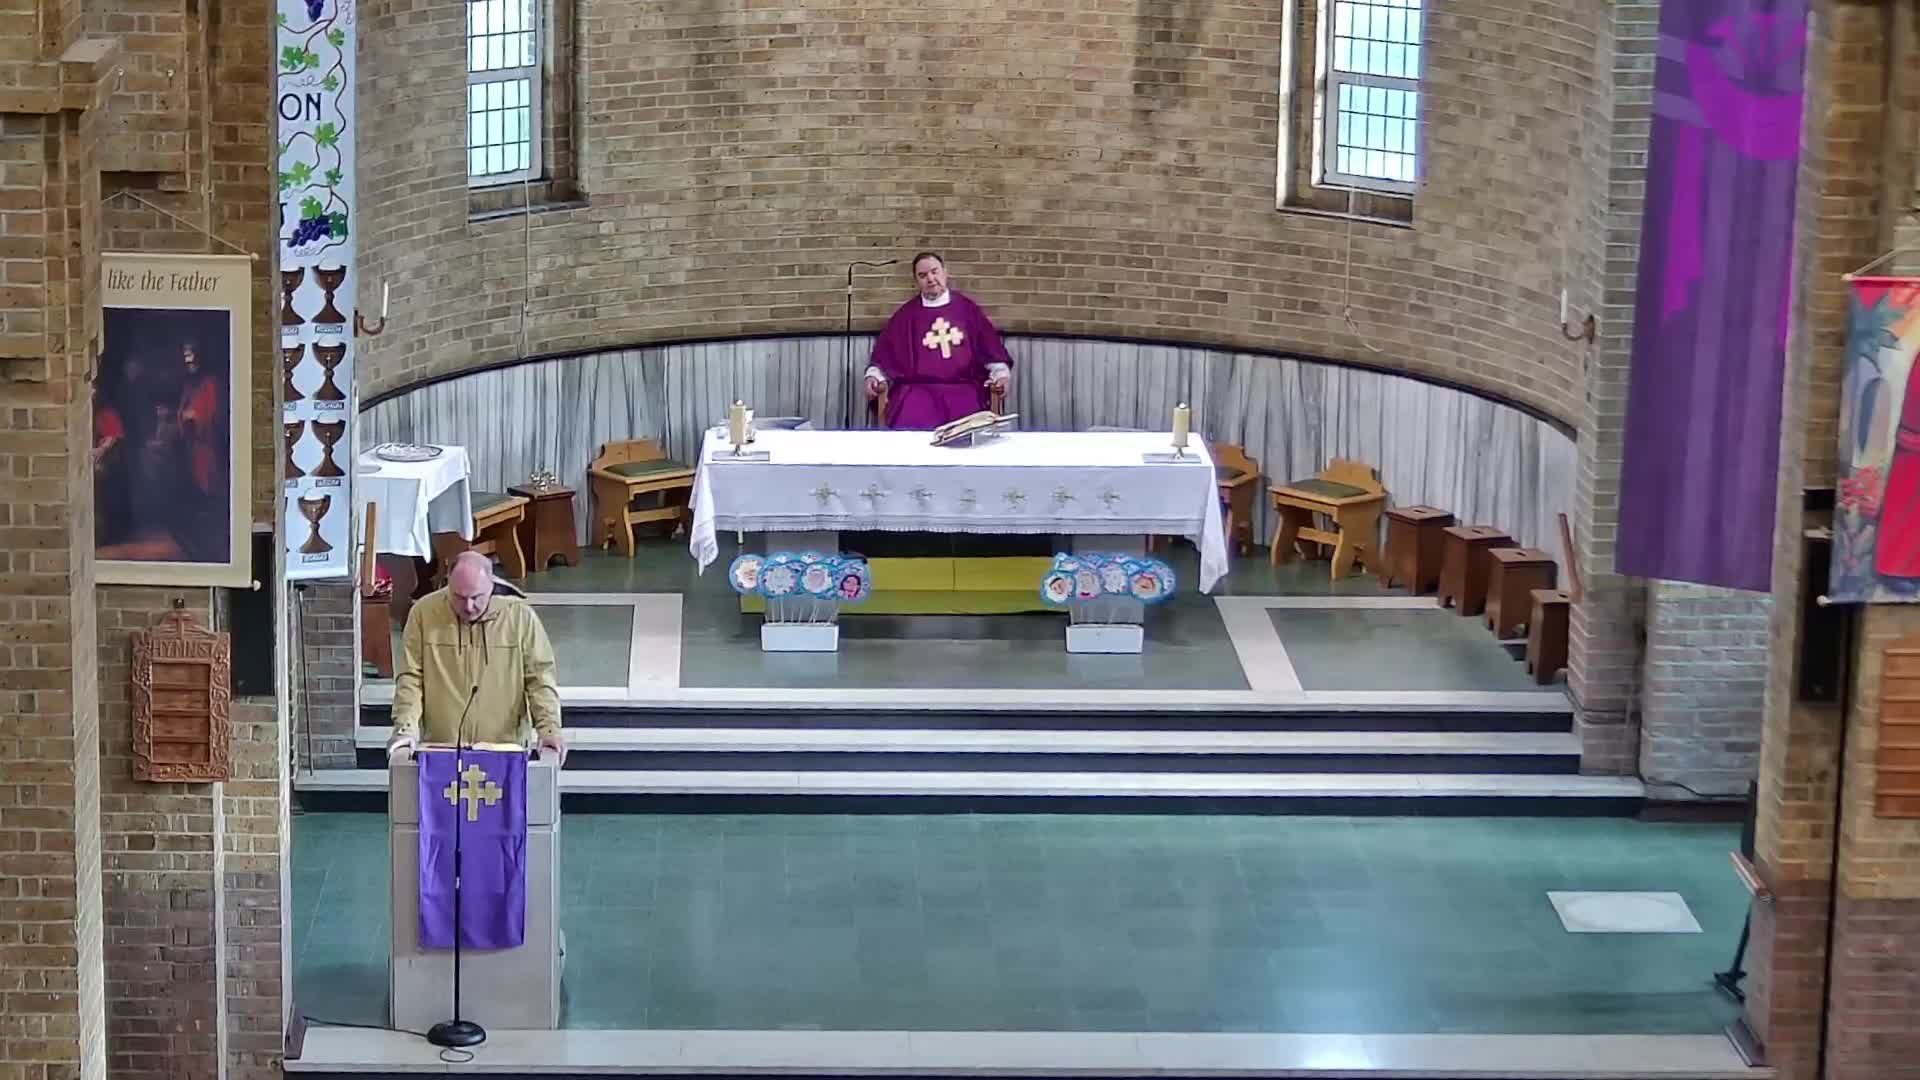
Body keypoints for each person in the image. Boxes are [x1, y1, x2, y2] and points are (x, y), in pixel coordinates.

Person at [385, 551, 567, 763]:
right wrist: (405, 729)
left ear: (491, 585)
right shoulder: (423, 614)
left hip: (504, 751)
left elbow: (539, 679)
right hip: (443, 751)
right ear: (448, 584)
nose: (469, 606)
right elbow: (411, 678)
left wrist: (549, 729)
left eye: (476, 597)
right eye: (459, 597)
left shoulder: (520, 618)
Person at [865, 252, 1013, 429]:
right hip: (918, 391)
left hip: (963, 389)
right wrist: (873, 376)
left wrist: (1001, 374)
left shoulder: (967, 310)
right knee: (908, 422)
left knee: (971, 426)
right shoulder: (906, 316)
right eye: (923, 275)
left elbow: (990, 349)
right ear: (916, 281)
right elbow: (886, 355)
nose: (930, 279)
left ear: (945, 272)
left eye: (934, 272)